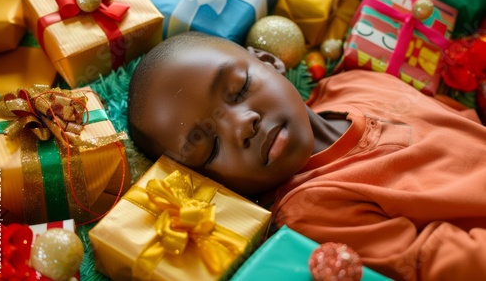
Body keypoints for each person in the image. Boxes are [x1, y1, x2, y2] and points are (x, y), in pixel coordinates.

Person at [128, 31, 486, 281]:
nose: (243, 125)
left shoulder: (354, 83)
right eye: (211, 147)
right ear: (212, 184)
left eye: (238, 89)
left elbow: (463, 122)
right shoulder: (310, 211)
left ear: (268, 61)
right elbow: (445, 265)